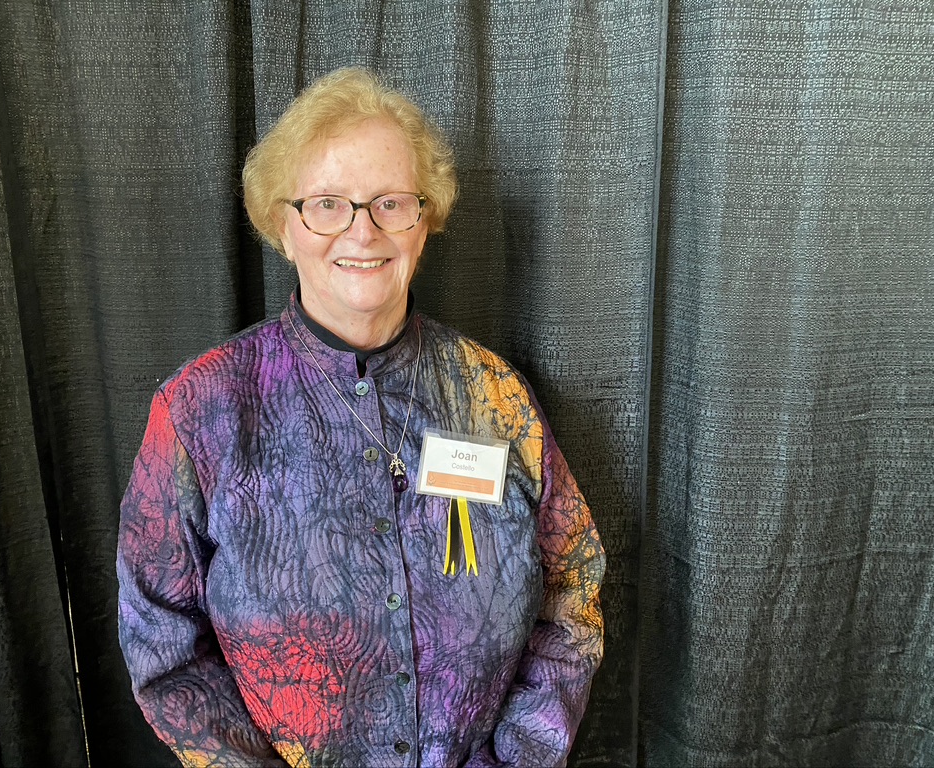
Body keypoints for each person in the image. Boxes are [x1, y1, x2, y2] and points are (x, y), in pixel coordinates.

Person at [117, 66, 606, 768]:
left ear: (425, 219)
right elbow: (161, 644)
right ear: (282, 227)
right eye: (326, 203)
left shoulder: (494, 394)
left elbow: (573, 587)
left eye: (390, 202)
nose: (362, 230)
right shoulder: (201, 412)